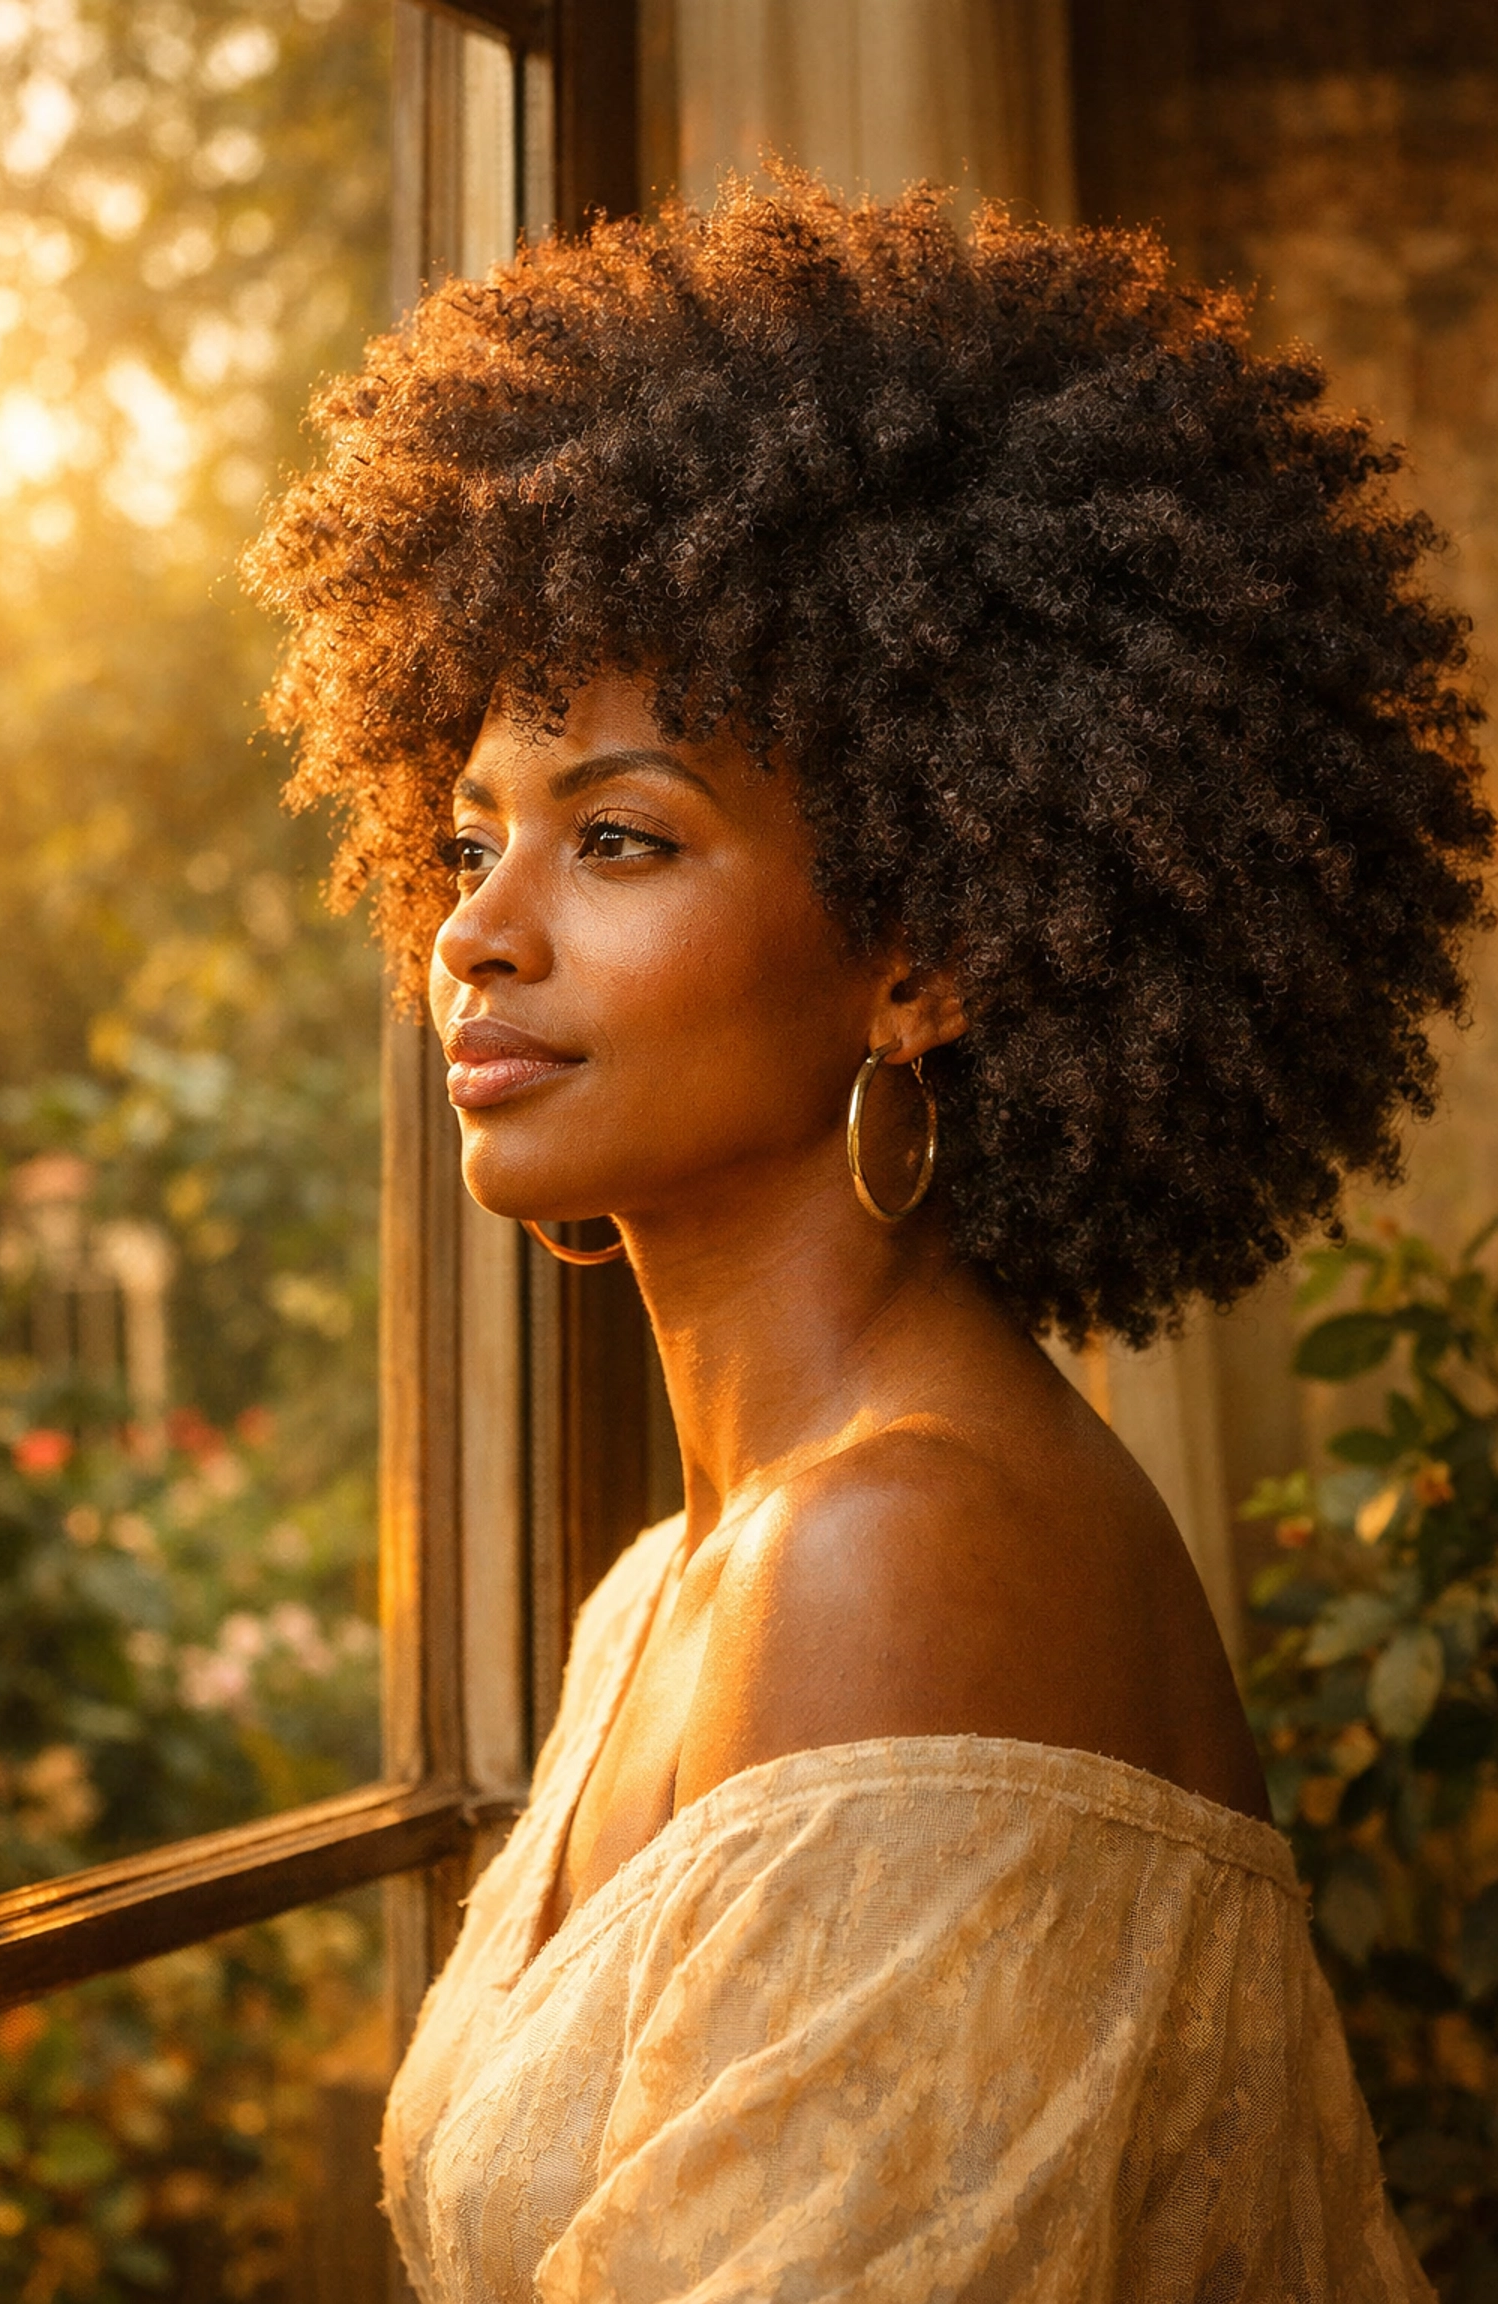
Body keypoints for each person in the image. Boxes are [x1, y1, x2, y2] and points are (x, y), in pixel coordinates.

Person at [246, 175, 1489, 2302]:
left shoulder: (900, 1557)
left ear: (924, 956)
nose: (473, 928)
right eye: (466, 840)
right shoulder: (675, 1585)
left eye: (618, 837)